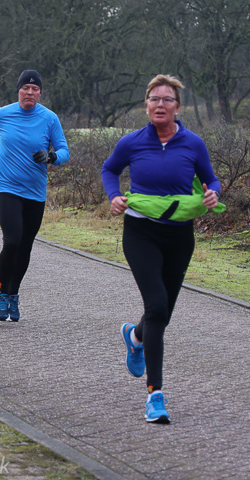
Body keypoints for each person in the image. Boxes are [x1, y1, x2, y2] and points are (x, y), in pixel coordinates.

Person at [101, 74, 222, 424]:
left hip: (180, 236)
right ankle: (155, 395)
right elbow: (110, 169)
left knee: (162, 313)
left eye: (167, 99)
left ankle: (135, 336)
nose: (160, 105)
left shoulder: (193, 143)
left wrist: (213, 193)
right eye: (154, 99)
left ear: (178, 107)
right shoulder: (132, 141)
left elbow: (210, 179)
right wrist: (114, 196)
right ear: (146, 105)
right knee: (156, 306)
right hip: (140, 232)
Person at [0, 70, 70, 322]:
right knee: (13, 241)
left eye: (35, 89)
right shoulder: (2, 114)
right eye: (25, 88)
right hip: (6, 187)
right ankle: (1, 293)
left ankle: (13, 295)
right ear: (18, 90)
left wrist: (51, 157)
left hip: (35, 192)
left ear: (40, 93)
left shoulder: (49, 118)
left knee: (26, 246)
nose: (30, 92)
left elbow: (64, 150)